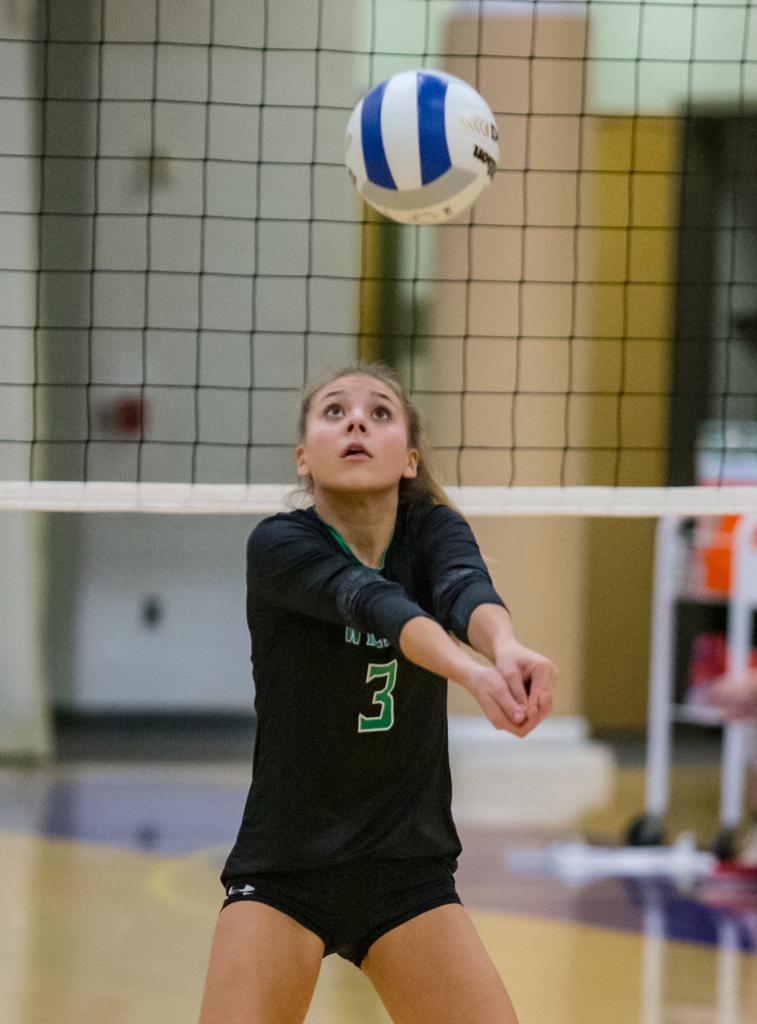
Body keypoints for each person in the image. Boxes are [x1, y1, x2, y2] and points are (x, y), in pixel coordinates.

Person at [198, 363, 557, 1024]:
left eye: (379, 413)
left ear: (408, 458)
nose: (357, 421)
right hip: (286, 870)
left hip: (405, 870)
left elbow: (465, 589)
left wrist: (504, 649)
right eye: (334, 412)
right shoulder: (281, 544)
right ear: (304, 457)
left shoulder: (432, 529)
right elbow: (376, 604)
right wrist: (475, 675)